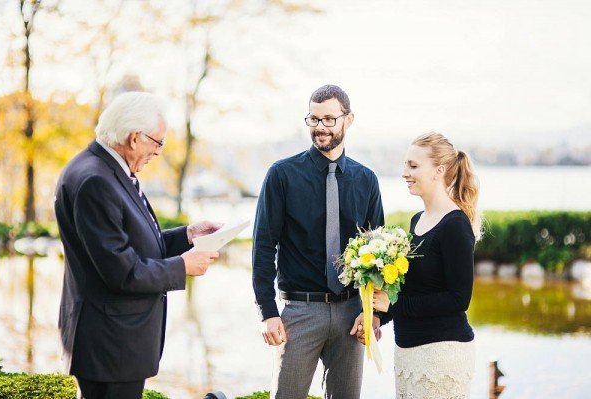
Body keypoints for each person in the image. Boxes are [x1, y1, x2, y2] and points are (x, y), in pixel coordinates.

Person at [54, 91, 221, 399]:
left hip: (115, 342)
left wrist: (187, 235)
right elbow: (122, 272)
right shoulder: (95, 180)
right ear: (134, 138)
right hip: (109, 345)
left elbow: (133, 243)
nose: (158, 152)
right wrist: (183, 266)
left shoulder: (108, 170)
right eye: (158, 142)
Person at [252, 84, 385, 399]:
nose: (320, 128)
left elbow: (380, 256)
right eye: (313, 120)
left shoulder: (366, 180)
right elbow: (263, 248)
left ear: (348, 120)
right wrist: (267, 311)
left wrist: (376, 313)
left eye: (328, 119)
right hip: (299, 311)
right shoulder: (282, 175)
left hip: (353, 312)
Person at [371, 132, 481, 398]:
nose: (405, 172)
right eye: (405, 165)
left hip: (441, 355)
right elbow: (412, 291)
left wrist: (393, 305)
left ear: (438, 171)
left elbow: (458, 299)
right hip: (408, 354)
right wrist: (378, 317)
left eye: (413, 166)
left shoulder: (455, 225)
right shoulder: (417, 220)